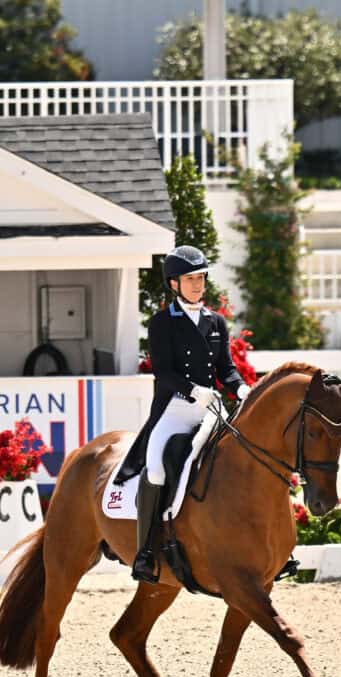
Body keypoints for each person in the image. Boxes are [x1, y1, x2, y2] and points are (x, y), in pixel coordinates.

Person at [115, 245, 250, 583]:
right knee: (158, 468)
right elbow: (164, 372)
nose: (197, 285)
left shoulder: (215, 321)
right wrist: (193, 391)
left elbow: (226, 369)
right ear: (174, 284)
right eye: (190, 279)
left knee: (244, 455)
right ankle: (145, 550)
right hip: (175, 409)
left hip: (211, 408)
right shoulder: (162, 323)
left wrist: (243, 389)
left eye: (201, 278)